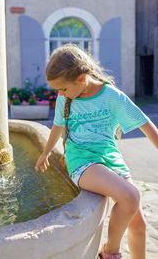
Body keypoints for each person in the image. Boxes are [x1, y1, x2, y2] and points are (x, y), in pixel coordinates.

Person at [35, 44, 158, 259]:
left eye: (62, 89)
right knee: (130, 196)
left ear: (82, 79)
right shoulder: (66, 97)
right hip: (82, 161)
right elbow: (57, 126)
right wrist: (45, 152)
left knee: (138, 224)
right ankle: (110, 252)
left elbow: (146, 125)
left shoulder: (112, 96)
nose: (59, 94)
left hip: (110, 159)